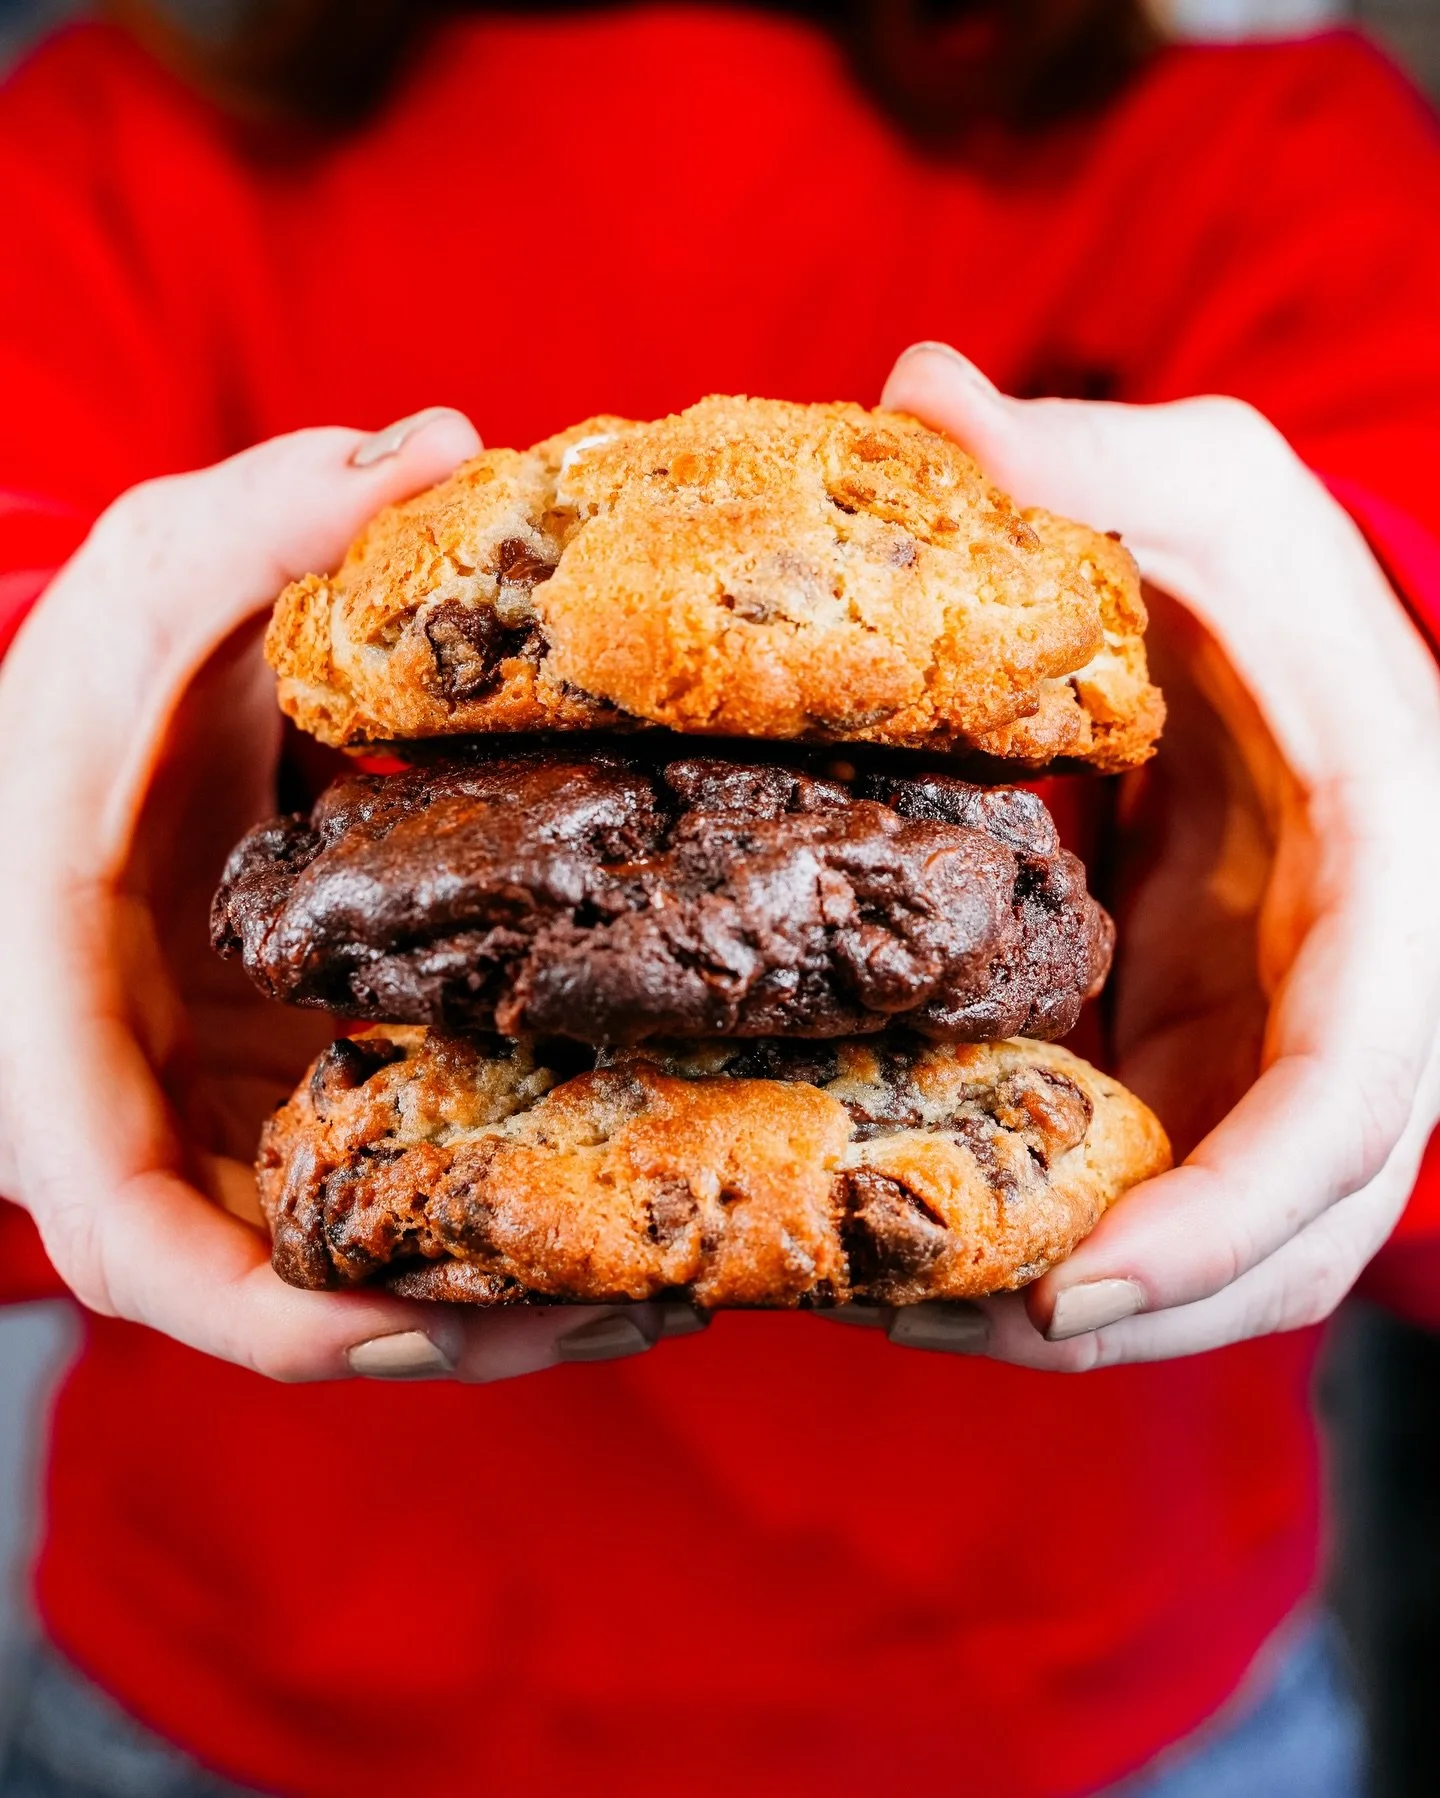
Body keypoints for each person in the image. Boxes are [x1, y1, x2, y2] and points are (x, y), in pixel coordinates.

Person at [0, 2, 1439, 1793]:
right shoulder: (104, 145)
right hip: (231, 1705)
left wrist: (1387, 676)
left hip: (1096, 1719)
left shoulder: (1270, 143)